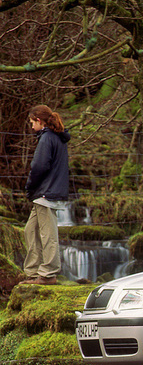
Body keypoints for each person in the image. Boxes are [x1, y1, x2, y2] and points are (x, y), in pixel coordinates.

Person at [21, 105, 71, 285]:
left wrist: (30, 186)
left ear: (38, 120)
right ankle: (34, 272)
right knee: (30, 230)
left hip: (46, 193)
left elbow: (39, 167)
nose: (31, 126)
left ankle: (48, 273)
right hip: (47, 192)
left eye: (31, 122)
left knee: (47, 234)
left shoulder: (47, 138)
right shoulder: (56, 137)